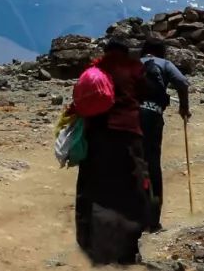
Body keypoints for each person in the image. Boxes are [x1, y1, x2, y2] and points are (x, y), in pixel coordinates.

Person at [75, 38, 151, 266]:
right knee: (130, 190)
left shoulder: (95, 68)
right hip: (128, 135)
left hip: (97, 135)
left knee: (94, 188)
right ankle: (128, 250)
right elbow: (146, 93)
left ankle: (92, 244)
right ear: (126, 51)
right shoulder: (134, 68)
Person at [139, 35, 191, 231]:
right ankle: (153, 221)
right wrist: (183, 108)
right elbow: (183, 83)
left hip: (129, 117)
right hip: (152, 115)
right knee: (152, 164)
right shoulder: (165, 64)